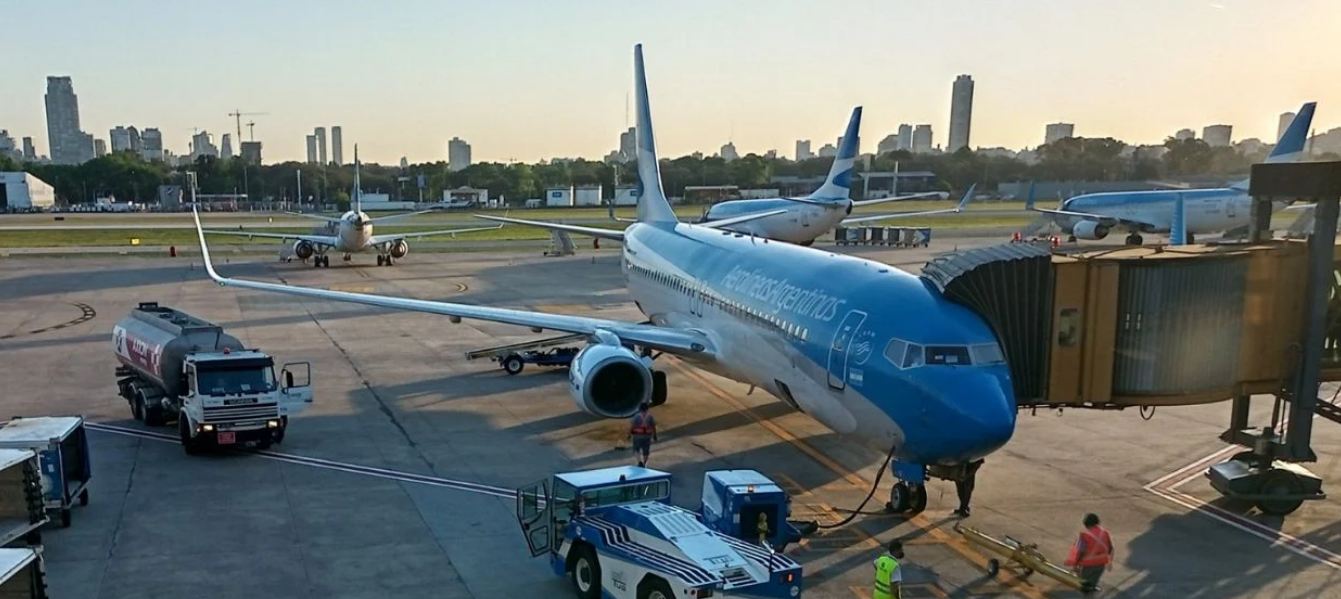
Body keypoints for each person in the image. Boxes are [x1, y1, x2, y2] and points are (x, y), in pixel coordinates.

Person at [1065, 513, 1114, 594]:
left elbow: (1079, 551)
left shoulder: (1085, 535)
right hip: (1101, 565)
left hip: (1088, 567)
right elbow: (1110, 548)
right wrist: (1110, 562)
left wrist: (1075, 564)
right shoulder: (1104, 533)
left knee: (1084, 587)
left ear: (1086, 524)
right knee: (1092, 586)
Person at [628, 402, 658, 467]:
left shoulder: (636, 416)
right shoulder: (650, 417)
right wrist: (655, 435)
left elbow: (632, 426)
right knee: (646, 451)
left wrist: (629, 435)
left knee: (636, 449)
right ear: (647, 409)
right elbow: (653, 427)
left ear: (640, 409)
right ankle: (644, 463)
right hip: (647, 436)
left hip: (637, 436)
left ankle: (639, 461)